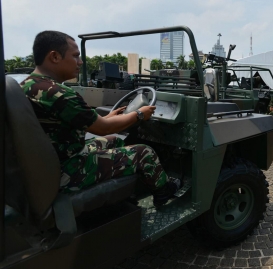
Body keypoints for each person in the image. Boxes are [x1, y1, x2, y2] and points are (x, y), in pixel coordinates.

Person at [20, 30, 181, 207]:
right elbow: (103, 128)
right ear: (55, 56)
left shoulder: (29, 85)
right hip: (66, 171)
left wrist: (110, 117)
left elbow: (84, 121)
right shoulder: (58, 93)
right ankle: (163, 192)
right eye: (75, 56)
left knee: (113, 141)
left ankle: (125, 191)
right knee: (144, 152)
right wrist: (140, 114)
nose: (80, 62)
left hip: (49, 162)